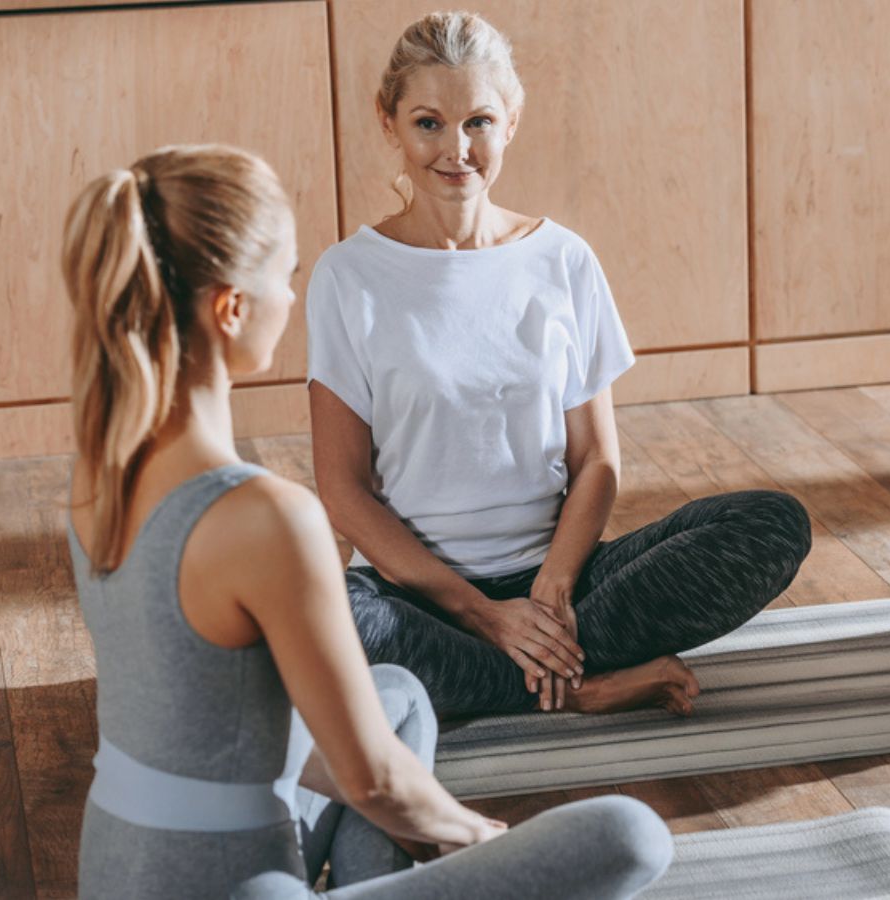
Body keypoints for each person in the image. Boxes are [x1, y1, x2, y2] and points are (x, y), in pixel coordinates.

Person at [65, 144, 672, 898]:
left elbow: (218, 723)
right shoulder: (266, 517)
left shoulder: (99, 478)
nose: (293, 299)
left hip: (118, 867)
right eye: (285, 279)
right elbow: (374, 783)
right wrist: (486, 844)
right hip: (240, 886)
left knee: (397, 697)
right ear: (231, 309)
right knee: (629, 836)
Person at [307, 12, 811, 718]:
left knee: (772, 523)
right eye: (429, 122)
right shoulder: (348, 276)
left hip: (563, 586)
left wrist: (552, 589)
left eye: (479, 120)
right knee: (314, 621)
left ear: (511, 120)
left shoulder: (563, 259)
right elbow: (344, 491)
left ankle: (506, 675)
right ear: (388, 122)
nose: (457, 148)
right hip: (414, 596)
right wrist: (485, 614)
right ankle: (577, 685)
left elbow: (597, 461)